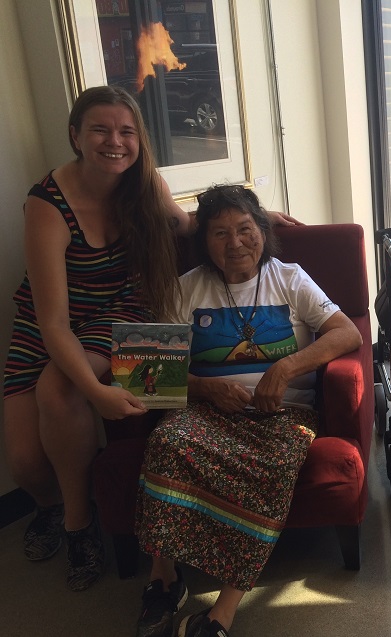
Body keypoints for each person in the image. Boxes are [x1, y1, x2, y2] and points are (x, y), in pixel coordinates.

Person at [3, 85, 300, 592]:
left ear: (139, 139)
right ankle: (52, 506)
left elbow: (187, 225)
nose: (114, 141)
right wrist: (99, 393)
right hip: (48, 322)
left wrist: (258, 219)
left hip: (117, 313)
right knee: (26, 461)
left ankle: (78, 526)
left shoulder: (146, 185)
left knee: (58, 389)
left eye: (126, 131)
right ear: (75, 135)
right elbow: (53, 323)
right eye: (100, 129)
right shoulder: (47, 204)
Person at [133, 184, 362, 637]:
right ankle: (165, 577)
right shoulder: (184, 289)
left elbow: (346, 334)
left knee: (276, 465)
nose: (235, 242)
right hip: (206, 412)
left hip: (283, 414)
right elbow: (142, 373)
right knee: (166, 442)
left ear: (262, 229)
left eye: (245, 229)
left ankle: (223, 610)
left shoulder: (290, 278)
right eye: (219, 233)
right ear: (203, 242)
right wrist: (204, 389)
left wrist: (286, 368)